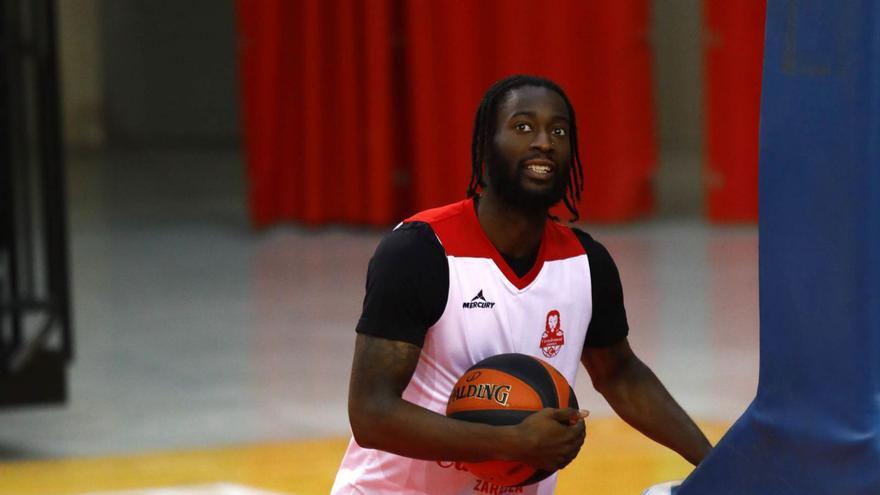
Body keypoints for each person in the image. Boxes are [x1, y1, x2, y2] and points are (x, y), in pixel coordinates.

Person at [331, 75, 712, 495]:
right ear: (484, 147)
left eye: (559, 130)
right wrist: (513, 442)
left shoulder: (586, 263)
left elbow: (620, 374)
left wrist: (718, 463)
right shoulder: (420, 251)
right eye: (523, 127)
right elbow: (371, 414)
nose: (544, 142)